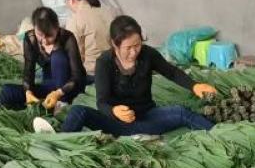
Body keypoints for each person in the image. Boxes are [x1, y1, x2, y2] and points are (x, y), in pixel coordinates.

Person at [50, 15, 216, 137]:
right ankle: (59, 144)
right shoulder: (105, 62)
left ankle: (220, 133)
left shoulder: (148, 54)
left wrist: (194, 85)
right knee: (78, 111)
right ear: (115, 45)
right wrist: (114, 111)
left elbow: (171, 72)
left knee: (181, 112)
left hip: (146, 117)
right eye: (128, 47)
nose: (134, 51)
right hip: (115, 123)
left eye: (137, 45)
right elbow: (101, 102)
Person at [0, 7, 85, 111]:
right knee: (7, 91)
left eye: (49, 36)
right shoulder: (30, 38)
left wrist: (58, 93)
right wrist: (28, 92)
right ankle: (41, 107)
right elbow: (28, 71)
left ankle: (60, 105)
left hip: (68, 87)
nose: (45, 41)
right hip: (49, 85)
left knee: (58, 57)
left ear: (57, 28)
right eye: (40, 35)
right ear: (34, 28)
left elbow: (77, 76)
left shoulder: (67, 38)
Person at [64, 0, 111, 79]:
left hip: (92, 73)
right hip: (113, 68)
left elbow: (74, 56)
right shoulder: (106, 11)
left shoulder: (75, 20)